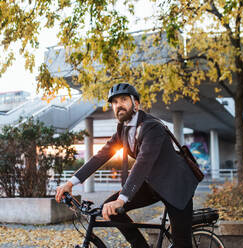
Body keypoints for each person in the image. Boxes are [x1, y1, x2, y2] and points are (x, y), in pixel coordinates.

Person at [56, 83, 199, 248]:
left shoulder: (152, 127)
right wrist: (70, 183)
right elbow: (100, 156)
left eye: (124, 99)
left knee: (182, 243)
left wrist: (122, 200)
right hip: (153, 183)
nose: (119, 105)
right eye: (115, 102)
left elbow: (143, 163)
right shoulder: (122, 130)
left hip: (176, 185)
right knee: (110, 210)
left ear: (136, 104)